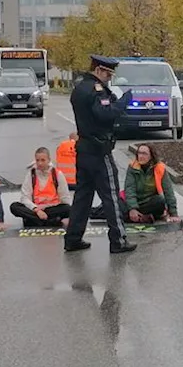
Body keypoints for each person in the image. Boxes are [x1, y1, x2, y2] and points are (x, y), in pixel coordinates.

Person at [64, 54, 135, 254]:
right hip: (99, 150)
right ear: (98, 70)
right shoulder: (96, 90)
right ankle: (118, 240)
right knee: (111, 196)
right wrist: (123, 102)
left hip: (84, 149)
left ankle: (73, 238)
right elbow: (105, 114)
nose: (109, 78)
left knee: (82, 196)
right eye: (108, 73)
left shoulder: (80, 88)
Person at [10, 147, 73, 227]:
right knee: (14, 206)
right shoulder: (31, 174)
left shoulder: (57, 174)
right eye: (37, 160)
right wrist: (37, 210)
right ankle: (48, 221)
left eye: (43, 160)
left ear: (49, 160)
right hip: (35, 208)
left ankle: (34, 220)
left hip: (51, 208)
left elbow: (65, 199)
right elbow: (25, 198)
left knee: (69, 209)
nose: (40, 163)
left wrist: (48, 207)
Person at [122, 143, 181, 224]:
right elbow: (129, 189)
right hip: (134, 201)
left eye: (144, 154)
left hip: (149, 202)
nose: (141, 156)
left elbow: (168, 191)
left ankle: (138, 217)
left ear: (151, 156)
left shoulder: (160, 168)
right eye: (139, 153)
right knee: (113, 210)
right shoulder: (132, 167)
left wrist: (173, 213)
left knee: (160, 201)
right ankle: (143, 217)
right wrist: (132, 208)